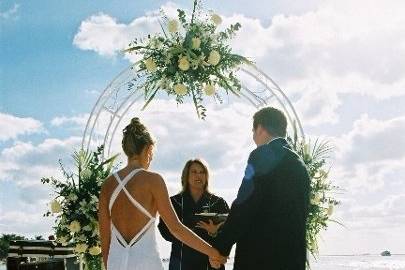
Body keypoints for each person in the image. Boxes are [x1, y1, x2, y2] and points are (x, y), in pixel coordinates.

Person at [98, 118, 226, 270]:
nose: (151, 158)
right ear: (148, 149)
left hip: (115, 263)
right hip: (145, 263)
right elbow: (176, 228)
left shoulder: (108, 185)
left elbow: (105, 241)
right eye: (151, 153)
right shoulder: (153, 180)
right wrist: (212, 252)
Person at [212, 107, 311, 270]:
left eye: (253, 130)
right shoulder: (299, 164)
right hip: (293, 259)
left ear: (260, 129)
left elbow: (244, 204)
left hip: (262, 258)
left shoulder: (262, 154)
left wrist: (221, 246)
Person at [158, 159, 229, 270]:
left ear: (207, 176)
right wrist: (185, 230)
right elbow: (165, 232)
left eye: (202, 172)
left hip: (212, 264)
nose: (198, 175)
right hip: (181, 264)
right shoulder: (173, 202)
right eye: (194, 172)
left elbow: (229, 234)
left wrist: (214, 232)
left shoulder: (218, 203)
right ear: (186, 175)